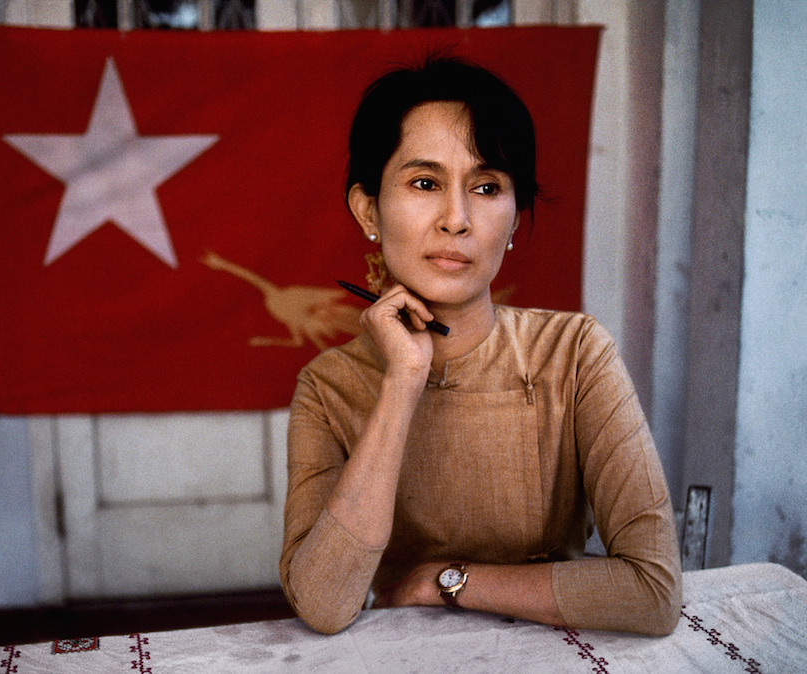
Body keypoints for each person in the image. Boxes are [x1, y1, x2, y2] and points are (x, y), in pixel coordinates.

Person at [279, 56, 682, 636]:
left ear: (515, 218)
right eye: (425, 183)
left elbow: (653, 592)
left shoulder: (575, 354)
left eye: (487, 187)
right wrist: (402, 382)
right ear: (368, 208)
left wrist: (443, 581)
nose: (457, 219)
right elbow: (321, 603)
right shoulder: (327, 387)